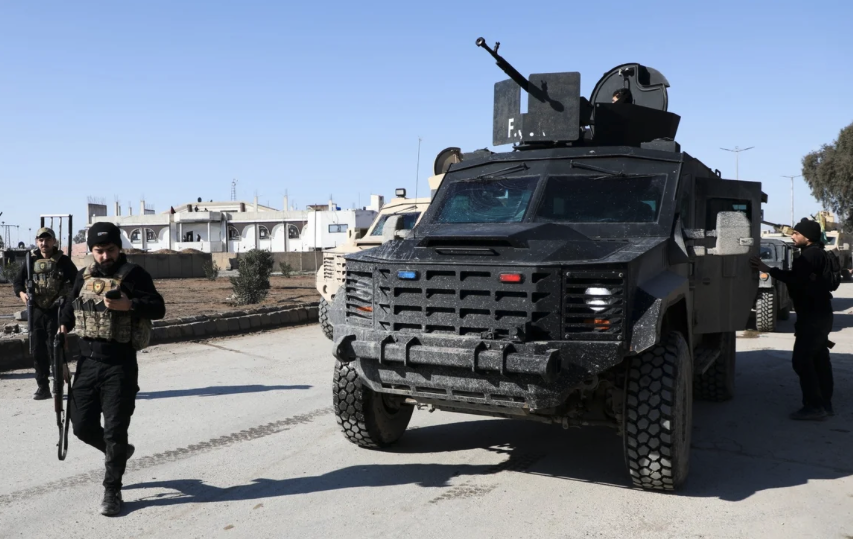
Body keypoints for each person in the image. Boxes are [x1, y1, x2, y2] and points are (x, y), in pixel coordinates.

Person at [60, 222, 166, 516]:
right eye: (99, 251)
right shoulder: (84, 276)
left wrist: (130, 305)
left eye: (110, 250)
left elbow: (158, 307)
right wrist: (63, 326)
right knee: (81, 426)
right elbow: (71, 307)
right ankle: (119, 452)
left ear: (119, 248)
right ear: (92, 251)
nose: (105, 256)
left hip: (120, 364)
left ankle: (112, 491)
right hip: (87, 363)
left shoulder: (134, 275)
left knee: (116, 430)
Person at [750, 218, 835, 420]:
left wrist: (768, 269)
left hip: (813, 316)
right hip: (820, 314)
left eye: (797, 233)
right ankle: (824, 404)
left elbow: (795, 279)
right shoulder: (818, 253)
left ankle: (815, 407)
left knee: (802, 360)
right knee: (819, 359)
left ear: (808, 237)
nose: (793, 236)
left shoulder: (809, 256)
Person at [12, 227, 77, 400]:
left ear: (54, 241)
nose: (44, 243)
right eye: (41, 240)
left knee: (55, 348)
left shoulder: (63, 261)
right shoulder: (30, 260)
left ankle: (57, 385)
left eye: (47, 240)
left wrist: (67, 302)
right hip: (37, 311)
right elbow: (17, 283)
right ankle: (42, 387)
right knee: (37, 350)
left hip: (56, 310)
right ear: (37, 242)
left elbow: (77, 283)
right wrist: (22, 294)